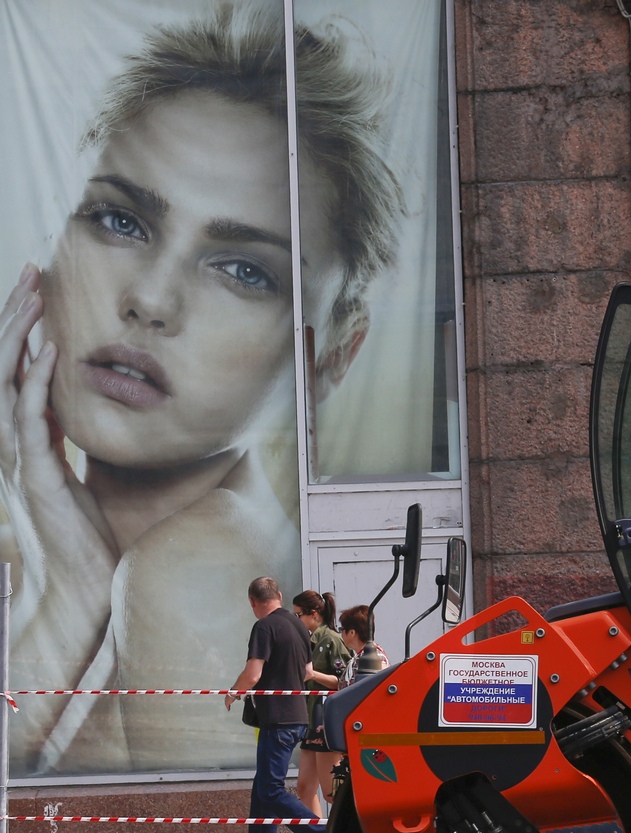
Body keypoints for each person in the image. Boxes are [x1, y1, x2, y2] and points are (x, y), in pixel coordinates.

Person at [0, 6, 401, 775]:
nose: (150, 300)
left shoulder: (194, 573)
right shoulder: (37, 545)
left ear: (331, 356)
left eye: (243, 269)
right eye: (120, 220)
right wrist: (71, 588)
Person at [224, 576, 325, 833]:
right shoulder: (298, 625)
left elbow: (253, 674)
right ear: (279, 596)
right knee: (262, 789)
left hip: (277, 720)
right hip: (296, 717)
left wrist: (233, 691)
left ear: (253, 602)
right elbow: (307, 673)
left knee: (270, 789)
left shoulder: (264, 627)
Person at [286, 589, 346, 833]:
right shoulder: (307, 639)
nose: (297, 620)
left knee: (332, 790)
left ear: (314, 614)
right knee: (304, 786)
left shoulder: (331, 640)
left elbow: (345, 681)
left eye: (299, 615)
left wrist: (313, 675)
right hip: (309, 720)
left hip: (326, 721)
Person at [307, 604, 387, 690]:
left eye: (342, 629)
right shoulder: (359, 656)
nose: (340, 633)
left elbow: (379, 681)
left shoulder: (374, 656)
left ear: (352, 633)